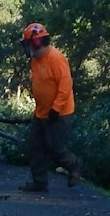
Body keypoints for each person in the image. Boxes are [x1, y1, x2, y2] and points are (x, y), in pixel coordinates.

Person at [18, 22, 81, 194]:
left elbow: (66, 85)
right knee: (35, 146)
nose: (27, 48)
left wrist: (56, 108)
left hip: (59, 113)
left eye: (28, 43)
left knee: (54, 146)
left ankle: (74, 164)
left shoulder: (56, 58)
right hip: (41, 112)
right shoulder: (35, 61)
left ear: (37, 42)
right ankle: (39, 182)